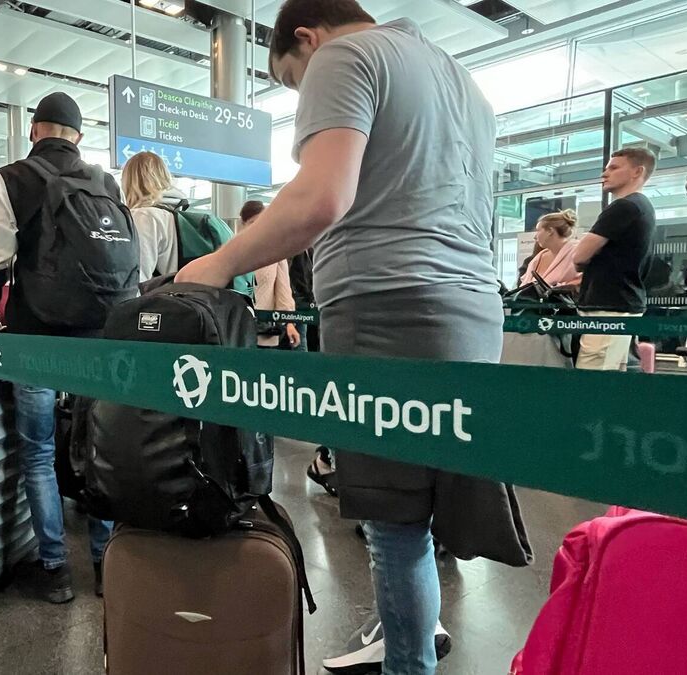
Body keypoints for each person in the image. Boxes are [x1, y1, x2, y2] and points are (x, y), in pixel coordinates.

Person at [176, 2, 505, 672]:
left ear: (306, 37)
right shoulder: (464, 83)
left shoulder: (344, 56)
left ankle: (407, 660)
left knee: (394, 523)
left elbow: (321, 195)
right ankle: (409, 627)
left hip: (388, 304)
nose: (302, 90)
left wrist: (218, 264)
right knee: (435, 505)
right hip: (472, 304)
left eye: (292, 79)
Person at [0, 92, 125, 603]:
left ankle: (55, 568)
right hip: (103, 335)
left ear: (34, 129)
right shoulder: (107, 182)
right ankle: (106, 561)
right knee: (100, 446)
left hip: (36, 332)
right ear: (78, 136)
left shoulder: (13, 178)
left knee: (37, 451)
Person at [572, 148, 657, 371]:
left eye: (614, 167)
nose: (604, 173)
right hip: (624, 302)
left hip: (608, 305)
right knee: (614, 376)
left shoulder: (624, 206)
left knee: (593, 378)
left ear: (637, 171)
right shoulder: (643, 206)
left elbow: (579, 256)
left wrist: (582, 264)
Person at [242, 201, 300, 349]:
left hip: (265, 333)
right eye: (252, 222)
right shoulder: (233, 254)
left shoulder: (276, 254)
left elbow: (284, 293)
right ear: (243, 224)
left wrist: (289, 324)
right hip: (236, 330)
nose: (257, 227)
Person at [121, 151, 180, 282]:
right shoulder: (177, 215)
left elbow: (138, 278)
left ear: (129, 181)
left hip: (164, 299)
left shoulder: (144, 216)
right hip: (192, 298)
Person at [520, 210, 582, 288]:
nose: (535, 237)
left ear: (550, 231)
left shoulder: (577, 253)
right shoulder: (538, 258)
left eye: (538, 230)